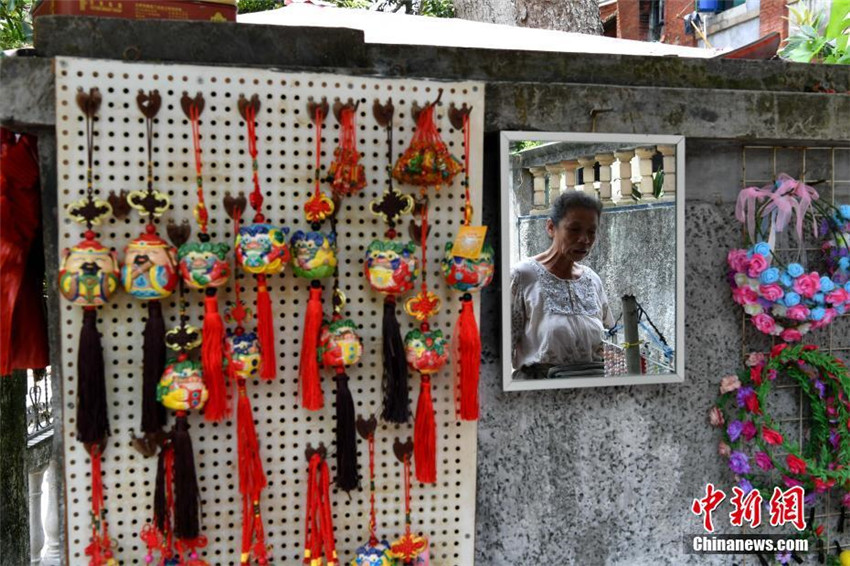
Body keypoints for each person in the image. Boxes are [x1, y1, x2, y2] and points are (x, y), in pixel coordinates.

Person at [511, 191, 614, 379]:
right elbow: (500, 349)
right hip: (540, 391)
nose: (585, 239)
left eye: (592, 231)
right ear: (551, 227)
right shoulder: (522, 276)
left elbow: (612, 340)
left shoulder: (592, 280)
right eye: (574, 229)